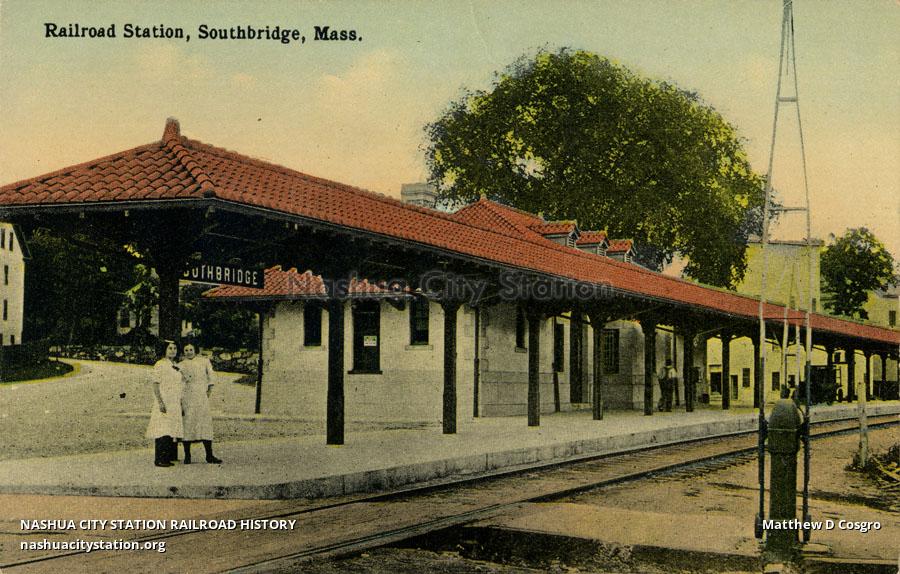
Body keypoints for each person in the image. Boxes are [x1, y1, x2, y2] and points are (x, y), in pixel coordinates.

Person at [179, 342, 222, 464]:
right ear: (183, 352)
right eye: (186, 350)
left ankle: (209, 455)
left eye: (191, 349)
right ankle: (188, 456)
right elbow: (179, 381)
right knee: (188, 424)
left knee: (205, 423)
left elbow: (211, 375)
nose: (189, 352)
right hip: (187, 396)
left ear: (195, 350)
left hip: (201, 396)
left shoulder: (204, 361)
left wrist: (210, 389)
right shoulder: (181, 365)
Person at [146, 341, 184, 467]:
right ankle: (159, 459)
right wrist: (160, 402)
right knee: (162, 428)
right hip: (164, 400)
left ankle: (167, 457)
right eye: (170, 348)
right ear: (164, 350)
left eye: (174, 348)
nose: (173, 350)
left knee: (170, 428)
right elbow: (155, 384)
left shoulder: (175, 365)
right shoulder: (160, 364)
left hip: (174, 400)